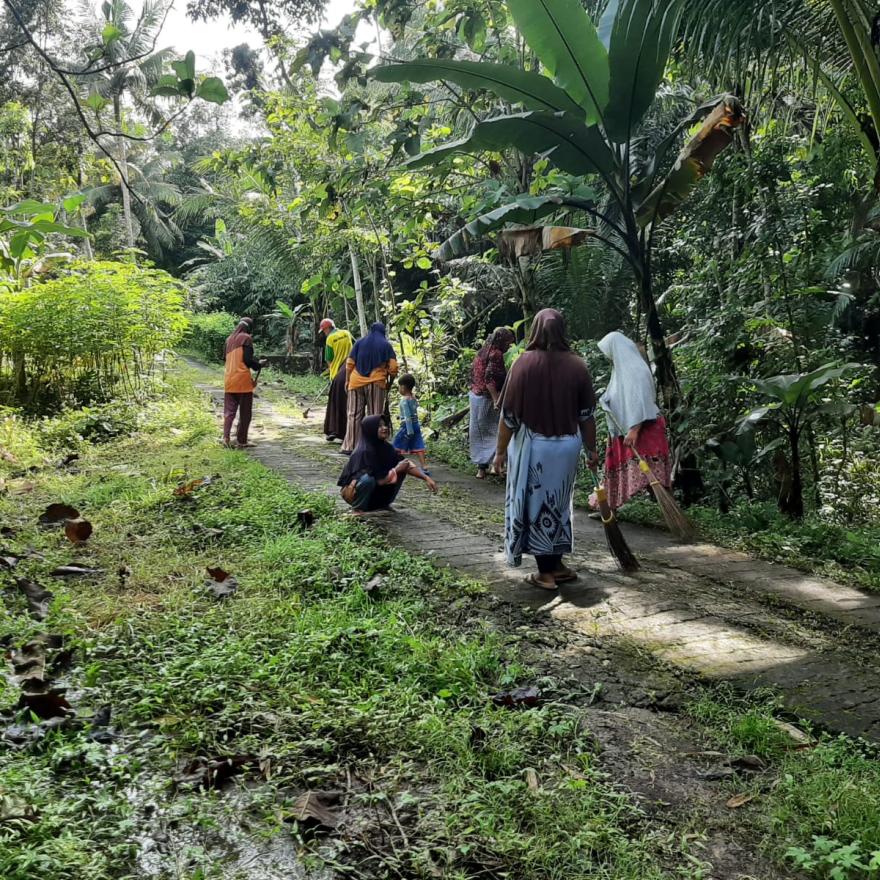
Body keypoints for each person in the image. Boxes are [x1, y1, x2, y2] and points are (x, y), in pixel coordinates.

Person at [494, 309, 598, 591]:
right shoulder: (578, 365)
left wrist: (500, 452)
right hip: (567, 447)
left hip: (535, 448)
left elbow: (510, 416)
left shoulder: (523, 364)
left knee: (536, 506)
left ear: (535, 331)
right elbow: (587, 415)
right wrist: (592, 450)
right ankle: (558, 564)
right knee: (559, 503)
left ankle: (545, 572)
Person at [595, 331, 672, 510]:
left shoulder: (636, 370)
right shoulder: (620, 371)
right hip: (624, 431)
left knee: (654, 476)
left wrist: (635, 428)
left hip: (642, 431)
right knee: (619, 472)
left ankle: (669, 511)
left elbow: (642, 399)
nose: (608, 358)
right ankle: (608, 509)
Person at [338, 415, 438, 513]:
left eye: (385, 425)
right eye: (379, 426)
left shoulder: (387, 448)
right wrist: (396, 470)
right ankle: (358, 509)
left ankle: (383, 504)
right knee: (367, 479)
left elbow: (406, 464)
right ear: (371, 429)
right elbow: (378, 481)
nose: (384, 428)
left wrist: (426, 478)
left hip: (376, 495)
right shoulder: (363, 451)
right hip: (354, 494)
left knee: (402, 467)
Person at [342, 322, 398, 454]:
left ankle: (350, 446)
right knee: (374, 416)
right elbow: (394, 368)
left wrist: (347, 380)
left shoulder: (359, 343)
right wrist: (390, 382)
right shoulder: (386, 345)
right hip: (376, 382)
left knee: (353, 415)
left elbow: (349, 363)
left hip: (355, 381)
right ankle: (372, 447)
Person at [469, 327, 515, 479]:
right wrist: (496, 399)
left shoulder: (483, 351)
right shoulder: (496, 354)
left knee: (481, 434)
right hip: (488, 400)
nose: (509, 345)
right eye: (508, 342)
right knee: (499, 432)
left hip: (476, 397)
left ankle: (481, 469)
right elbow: (489, 379)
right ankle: (498, 467)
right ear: (501, 340)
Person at [223, 317, 264, 448]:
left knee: (229, 412)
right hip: (243, 382)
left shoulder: (229, 339)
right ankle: (241, 440)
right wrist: (259, 365)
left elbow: (224, 358)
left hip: (229, 380)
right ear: (249, 327)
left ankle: (226, 438)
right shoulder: (246, 338)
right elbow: (247, 360)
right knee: (245, 413)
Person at [320, 318, 354, 442]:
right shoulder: (347, 333)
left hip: (338, 373)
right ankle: (349, 430)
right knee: (350, 403)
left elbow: (329, 359)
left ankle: (334, 430)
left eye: (323, 331)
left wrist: (332, 371)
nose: (324, 333)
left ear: (327, 328)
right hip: (351, 371)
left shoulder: (330, 339)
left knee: (335, 403)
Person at [392, 374, 428, 472]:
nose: (399, 389)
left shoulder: (404, 401)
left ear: (403, 387)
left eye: (399, 386)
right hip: (416, 424)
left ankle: (392, 463)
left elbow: (407, 416)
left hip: (407, 426)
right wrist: (401, 416)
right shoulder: (413, 398)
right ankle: (424, 466)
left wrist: (409, 430)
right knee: (418, 445)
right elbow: (413, 412)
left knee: (397, 443)